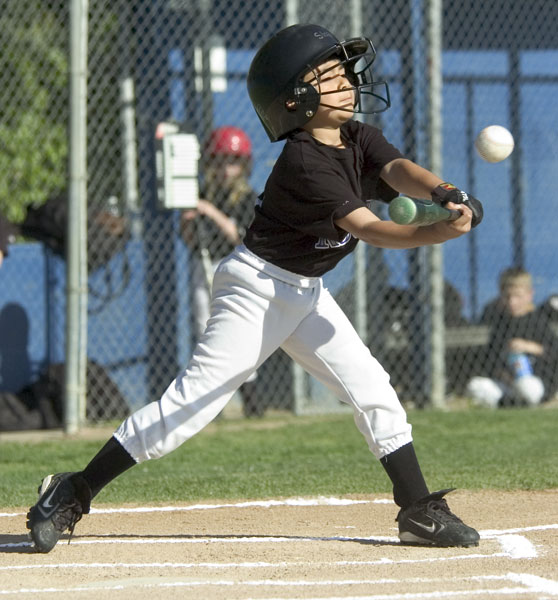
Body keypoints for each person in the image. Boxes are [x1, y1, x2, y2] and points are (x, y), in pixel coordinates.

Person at [26, 23, 483, 553]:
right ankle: (73, 490)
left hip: (305, 291)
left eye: (343, 71)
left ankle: (418, 509)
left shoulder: (357, 137)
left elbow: (399, 169)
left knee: (372, 388)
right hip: (256, 288)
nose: (346, 81)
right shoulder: (304, 161)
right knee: (193, 403)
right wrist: (436, 232)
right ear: (294, 99)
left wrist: (447, 193)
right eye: (329, 75)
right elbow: (372, 229)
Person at [180, 126, 262, 416]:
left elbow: (238, 235)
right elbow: (189, 240)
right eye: (219, 162)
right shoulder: (205, 193)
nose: (226, 170)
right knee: (205, 329)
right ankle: (209, 401)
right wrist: (188, 219)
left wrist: (209, 211)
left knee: (238, 331)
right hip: (204, 262)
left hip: (235, 265)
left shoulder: (248, 198)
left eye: (233, 162)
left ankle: (252, 400)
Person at [466, 267, 558, 408]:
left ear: (529, 295)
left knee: (528, 388)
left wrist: (530, 347)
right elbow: (490, 360)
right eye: (507, 296)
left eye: (517, 296)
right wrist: (503, 375)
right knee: (475, 386)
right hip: (508, 383)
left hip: (534, 380)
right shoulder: (499, 324)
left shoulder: (538, 321)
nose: (512, 302)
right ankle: (512, 403)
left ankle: (513, 402)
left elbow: (554, 352)